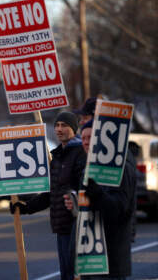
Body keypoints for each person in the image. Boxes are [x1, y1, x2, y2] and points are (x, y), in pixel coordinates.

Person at [10, 111, 87, 280]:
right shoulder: (58, 156)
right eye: (57, 125)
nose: (59, 129)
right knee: (66, 273)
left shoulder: (81, 153)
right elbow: (52, 192)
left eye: (64, 125)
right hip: (61, 226)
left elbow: (85, 188)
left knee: (77, 275)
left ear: (74, 129)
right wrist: (27, 207)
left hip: (77, 226)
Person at [65, 120, 137, 279]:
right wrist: (76, 203)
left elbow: (119, 210)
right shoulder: (87, 168)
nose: (85, 142)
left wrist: (97, 194)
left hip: (110, 259)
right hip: (89, 257)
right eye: (83, 138)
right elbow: (88, 208)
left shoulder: (120, 168)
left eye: (90, 137)